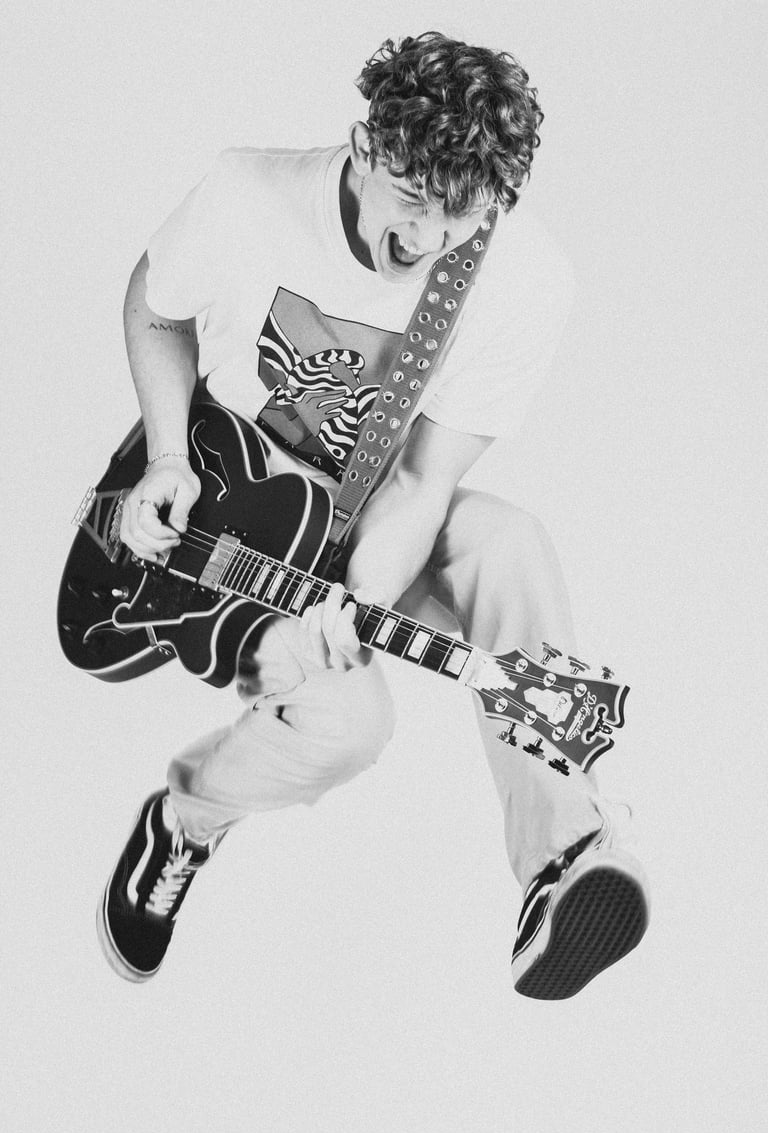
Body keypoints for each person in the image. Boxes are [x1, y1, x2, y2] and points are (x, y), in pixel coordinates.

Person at [98, 31, 650, 999]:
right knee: (350, 725)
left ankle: (562, 858)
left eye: (462, 213)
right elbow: (154, 305)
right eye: (414, 199)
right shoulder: (245, 196)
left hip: (366, 510)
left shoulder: (523, 277)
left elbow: (423, 482)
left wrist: (353, 605)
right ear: (365, 146)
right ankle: (183, 822)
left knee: (509, 545)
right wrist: (167, 457)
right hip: (231, 502)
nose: (431, 236)